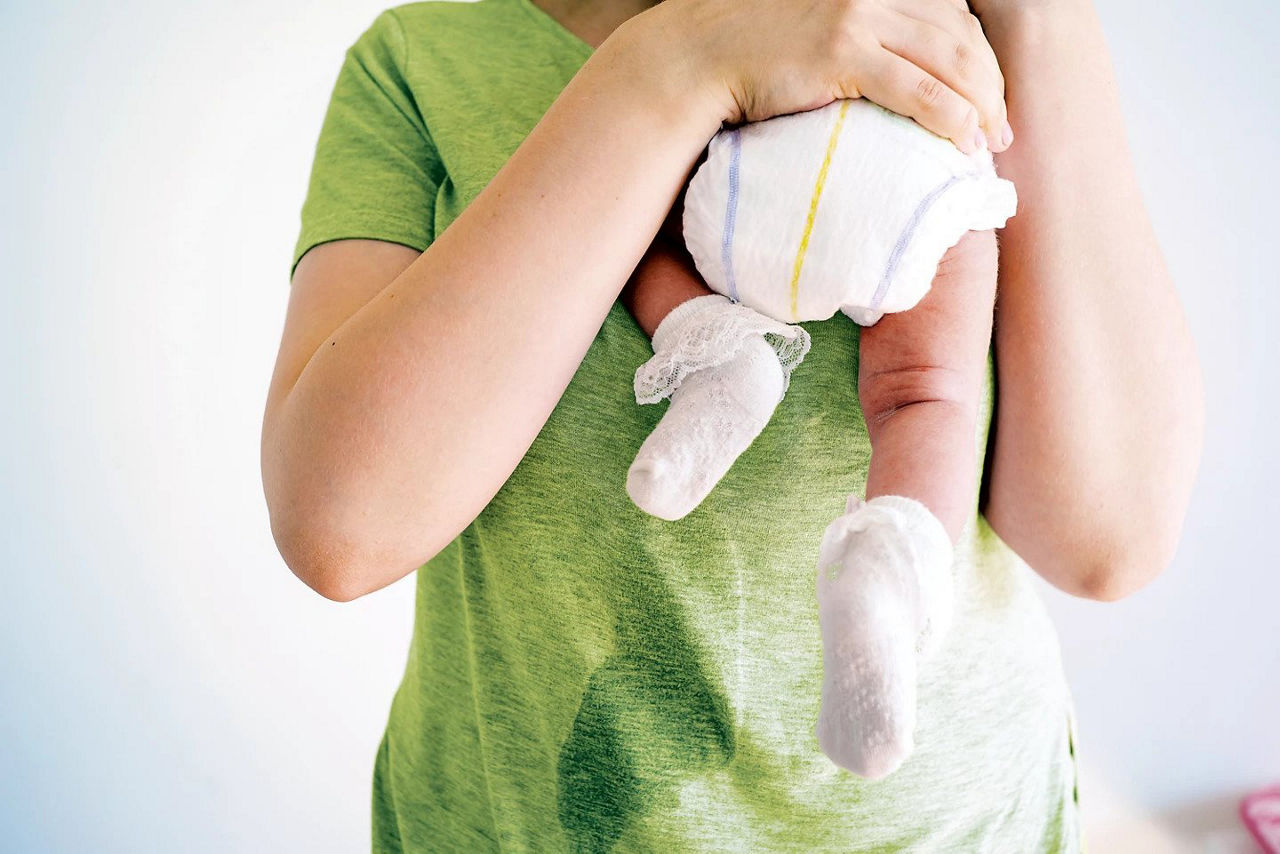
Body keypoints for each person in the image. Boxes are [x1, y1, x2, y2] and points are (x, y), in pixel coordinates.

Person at [260, 0, 1204, 850]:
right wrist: (675, 64)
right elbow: (342, 527)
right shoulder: (422, 62)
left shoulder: (978, 29)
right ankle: (796, 439)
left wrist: (1039, 22)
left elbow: (1106, 542)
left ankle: (858, 516)